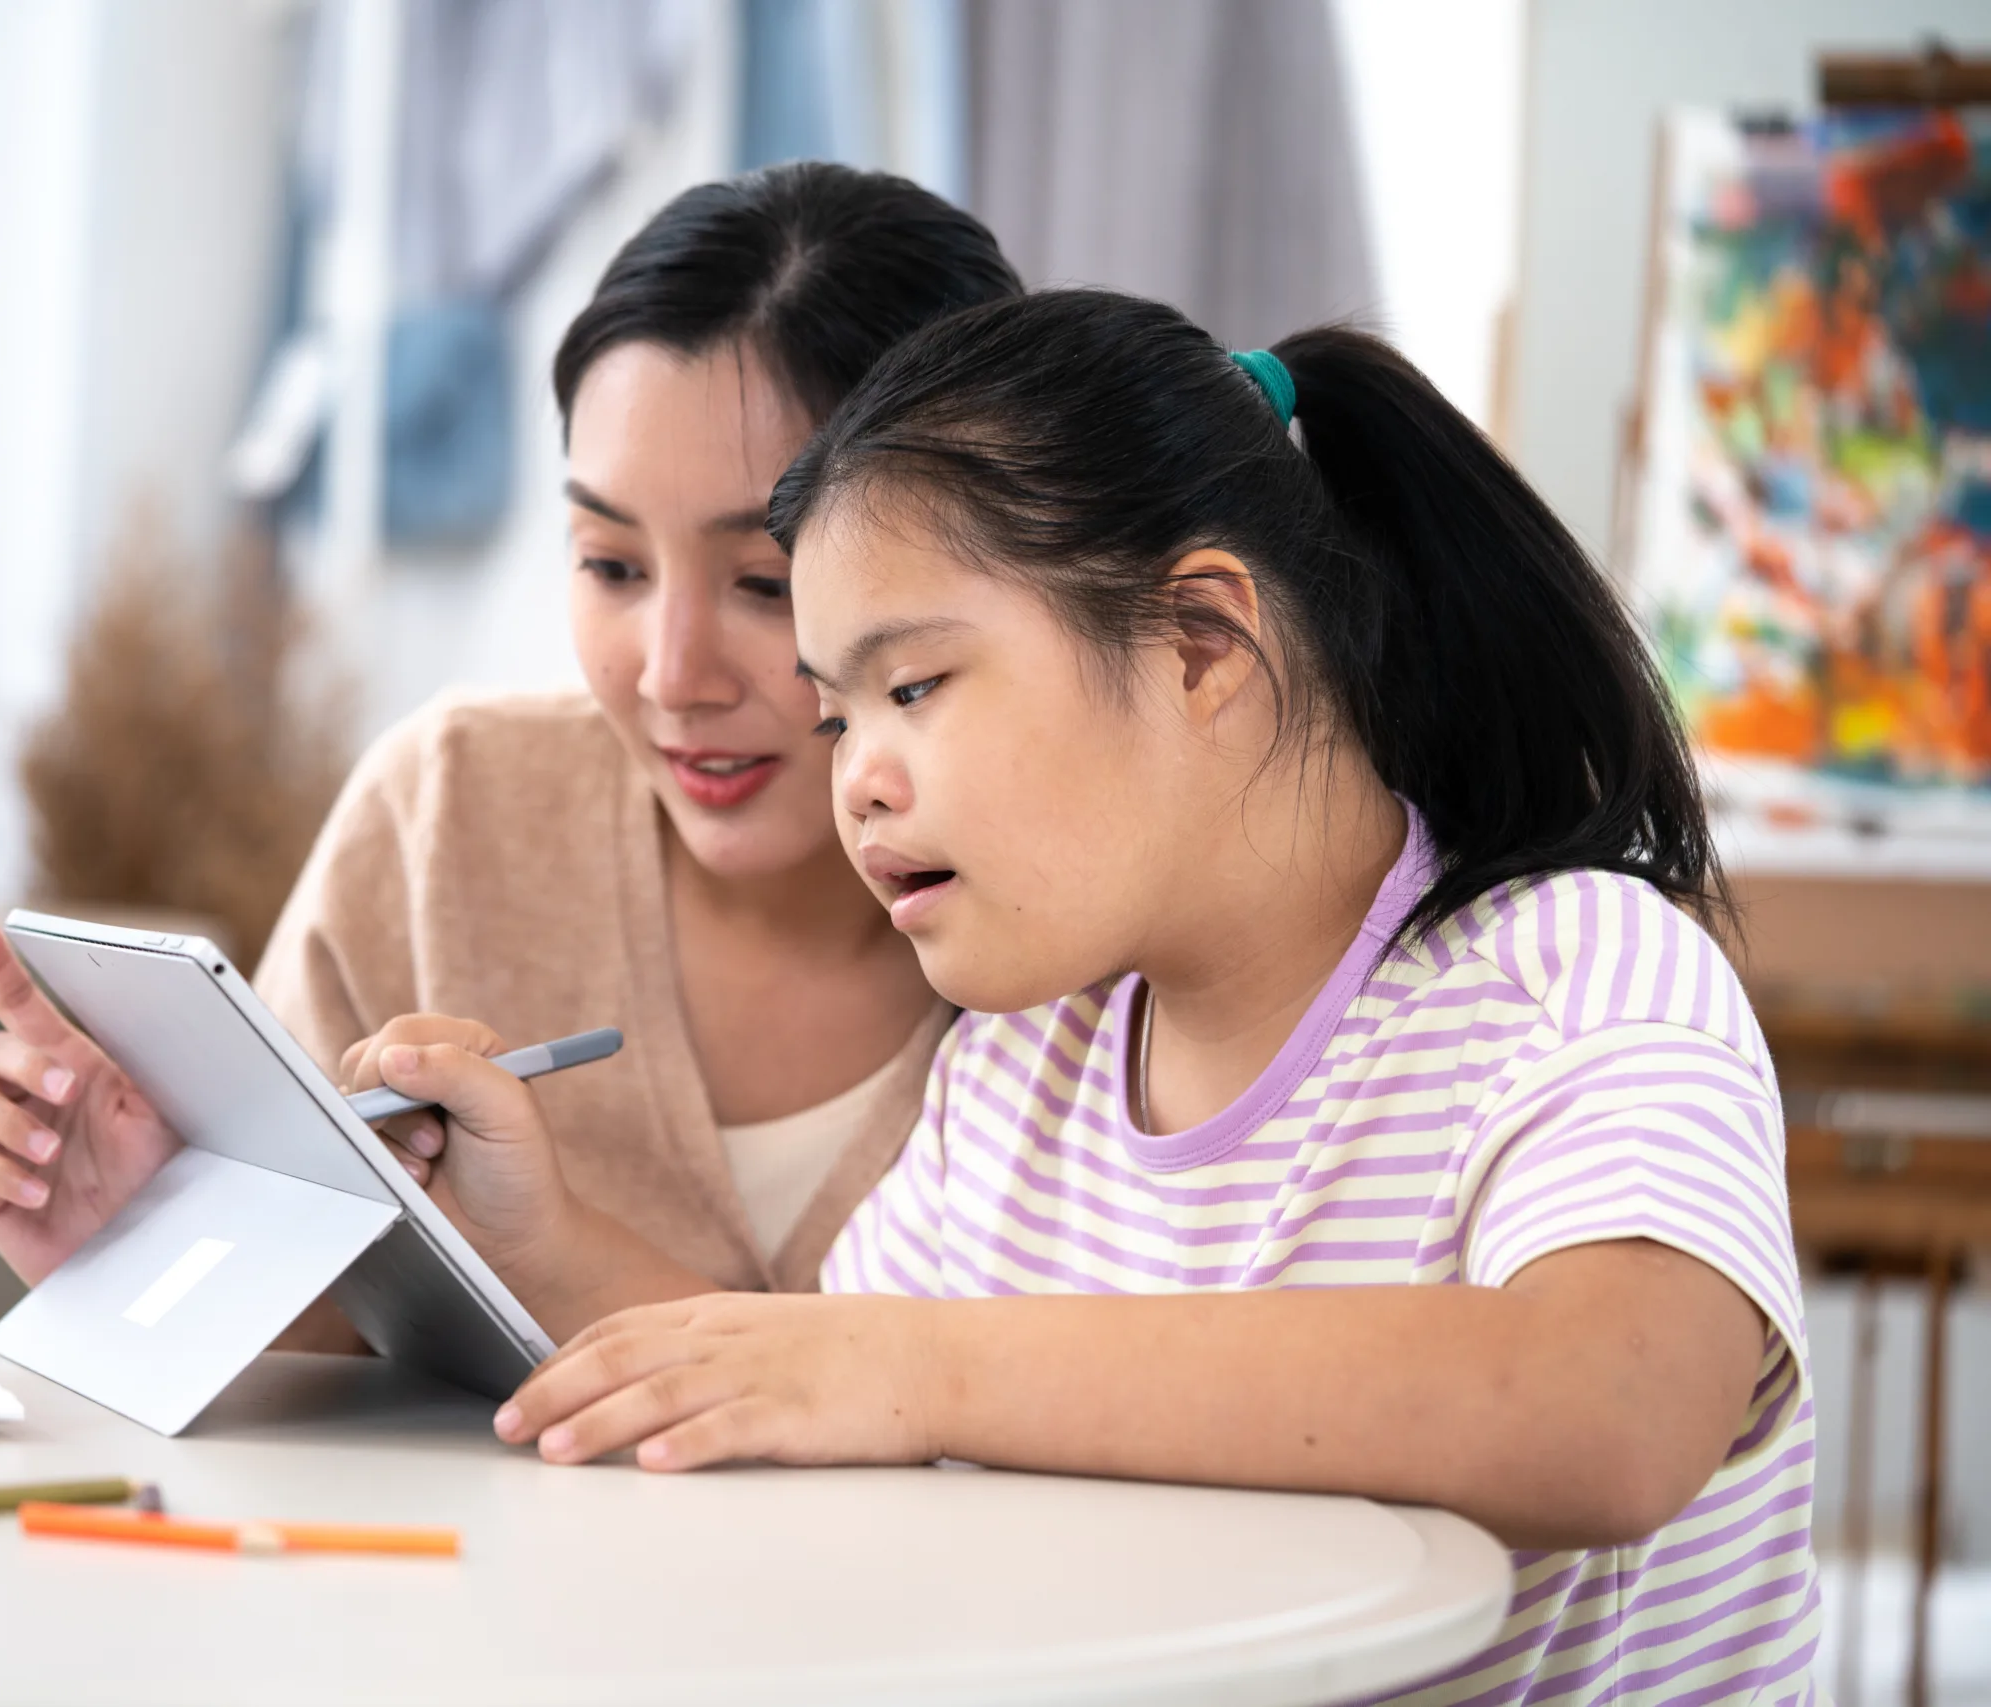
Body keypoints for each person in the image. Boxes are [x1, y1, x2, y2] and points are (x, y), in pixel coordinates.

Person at [387, 294, 1817, 1704]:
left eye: (915, 686)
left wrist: (927, 1370)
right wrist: (527, 1237)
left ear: (1200, 640)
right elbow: (810, 1386)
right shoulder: (1023, 1064)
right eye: (837, 714)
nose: (856, 780)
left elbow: (1614, 1405)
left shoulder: (1578, 974)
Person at [0, 163, 1023, 1331]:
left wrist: (553, 1253)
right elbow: (321, 1346)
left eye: (765, 582)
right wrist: (143, 1240)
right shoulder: (449, 814)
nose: (671, 676)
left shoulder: (1088, 925)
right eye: (611, 565)